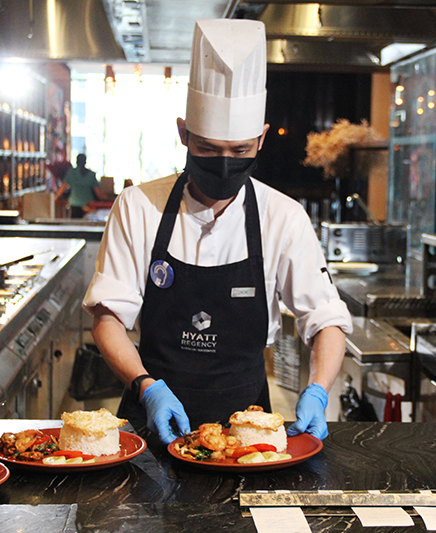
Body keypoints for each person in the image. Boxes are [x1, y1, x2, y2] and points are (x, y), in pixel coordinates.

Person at [83, 18, 352, 445]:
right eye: (207, 148)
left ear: (261, 139)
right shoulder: (137, 207)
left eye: (239, 150)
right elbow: (107, 318)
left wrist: (318, 390)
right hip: (148, 419)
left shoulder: (282, 216)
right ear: (183, 133)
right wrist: (146, 386)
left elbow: (326, 320)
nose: (224, 162)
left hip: (248, 433)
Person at [55, 153, 107, 218]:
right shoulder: (91, 174)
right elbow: (98, 193)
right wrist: (107, 199)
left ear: (76, 162)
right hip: (89, 205)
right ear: (85, 162)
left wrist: (54, 198)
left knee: (75, 225)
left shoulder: (71, 172)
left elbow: (62, 188)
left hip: (74, 204)